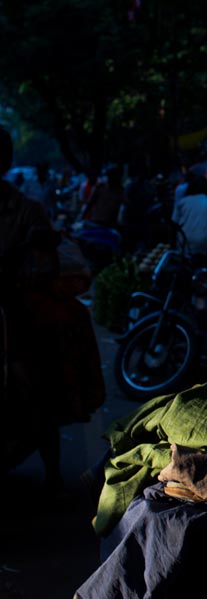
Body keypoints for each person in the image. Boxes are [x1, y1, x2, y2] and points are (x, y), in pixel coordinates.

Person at [1, 127, 104, 495]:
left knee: (42, 390)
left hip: (20, 312)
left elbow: (46, 265)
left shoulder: (29, 210)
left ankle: (54, 475)